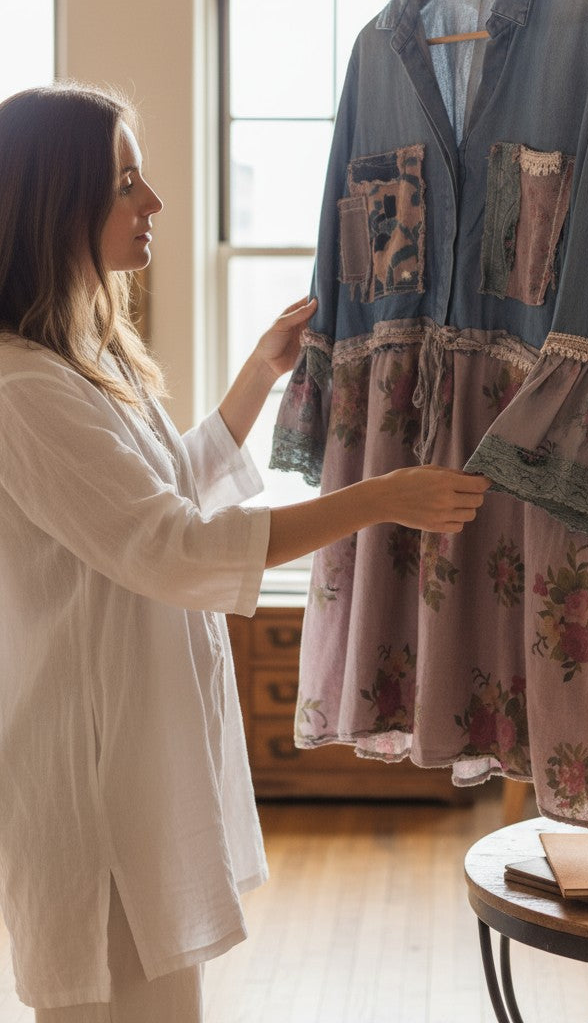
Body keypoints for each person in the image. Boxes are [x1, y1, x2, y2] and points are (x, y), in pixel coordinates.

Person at [0, 83, 489, 1022]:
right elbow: (173, 547)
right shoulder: (24, 391)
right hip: (87, 779)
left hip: (133, 756)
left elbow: (164, 488)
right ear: (55, 202)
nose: (153, 204)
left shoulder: (87, 364)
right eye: (125, 183)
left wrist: (256, 379)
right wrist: (382, 497)